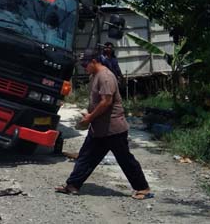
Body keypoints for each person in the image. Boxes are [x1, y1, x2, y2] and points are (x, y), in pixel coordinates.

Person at [55, 48, 152, 200]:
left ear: (94, 61)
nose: (84, 67)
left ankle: (143, 188)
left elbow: (106, 102)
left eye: (86, 64)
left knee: (125, 159)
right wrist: (89, 116)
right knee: (86, 157)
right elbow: (96, 101)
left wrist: (90, 117)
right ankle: (72, 185)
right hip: (99, 128)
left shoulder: (106, 76)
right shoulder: (95, 75)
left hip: (113, 129)